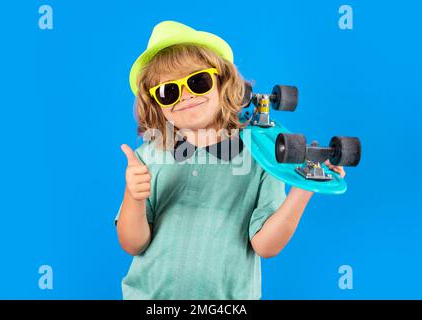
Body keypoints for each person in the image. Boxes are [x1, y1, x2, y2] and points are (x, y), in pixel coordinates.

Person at [115, 20, 345, 299]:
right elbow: (133, 244)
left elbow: (265, 246)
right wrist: (134, 196)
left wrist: (304, 188)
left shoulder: (262, 156)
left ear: (223, 83)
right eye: (169, 91)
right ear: (157, 105)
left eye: (197, 81)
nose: (185, 96)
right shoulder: (147, 157)